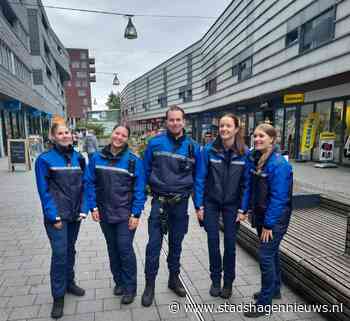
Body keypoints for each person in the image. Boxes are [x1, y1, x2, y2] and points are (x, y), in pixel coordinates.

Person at [141, 105, 203, 307]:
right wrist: (140, 201)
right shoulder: (154, 144)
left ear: (184, 121)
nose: (175, 123)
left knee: (176, 245)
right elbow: (144, 171)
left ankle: (173, 279)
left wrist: (198, 206)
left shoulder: (194, 147)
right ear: (166, 122)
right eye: (171, 120)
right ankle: (149, 286)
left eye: (178, 120)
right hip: (159, 203)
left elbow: (199, 178)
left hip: (180, 204)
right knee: (153, 247)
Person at [85, 125, 146, 305]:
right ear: (112, 134)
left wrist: (136, 213)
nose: (119, 137)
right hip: (104, 213)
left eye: (123, 135)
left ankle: (130, 288)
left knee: (124, 249)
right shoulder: (96, 158)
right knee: (112, 249)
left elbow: (139, 189)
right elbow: (89, 183)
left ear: (127, 138)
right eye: (117, 133)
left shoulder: (134, 160)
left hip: (125, 214)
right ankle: (119, 282)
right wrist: (93, 207)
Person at [35, 123, 88, 319]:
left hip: (75, 216)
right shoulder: (44, 159)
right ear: (53, 136)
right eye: (60, 133)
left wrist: (84, 209)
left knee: (70, 249)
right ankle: (58, 297)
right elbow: (44, 190)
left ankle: (69, 283)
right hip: (57, 217)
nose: (65, 135)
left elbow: (86, 185)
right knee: (59, 254)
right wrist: (52, 215)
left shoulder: (79, 158)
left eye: (67, 132)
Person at [196, 113, 251, 299]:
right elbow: (200, 178)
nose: (224, 129)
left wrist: (243, 209)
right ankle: (215, 280)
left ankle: (228, 283)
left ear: (236, 129)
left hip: (232, 205)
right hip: (211, 202)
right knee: (213, 243)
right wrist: (199, 205)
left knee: (230, 245)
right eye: (221, 126)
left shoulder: (245, 153)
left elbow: (247, 184)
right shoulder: (209, 150)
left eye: (228, 126)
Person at [244, 123, 293, 318]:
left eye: (261, 136)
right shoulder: (259, 159)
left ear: (272, 139)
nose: (257, 139)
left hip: (274, 220)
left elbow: (279, 198)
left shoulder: (279, 164)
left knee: (265, 257)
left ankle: (264, 303)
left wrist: (269, 224)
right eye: (255, 136)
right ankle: (274, 290)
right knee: (271, 255)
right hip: (263, 216)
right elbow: (255, 189)